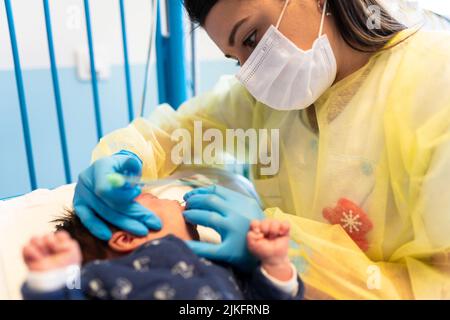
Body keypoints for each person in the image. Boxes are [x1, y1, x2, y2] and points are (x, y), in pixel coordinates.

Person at [73, 0, 450, 299]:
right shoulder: (263, 101)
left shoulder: (436, 86)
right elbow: (173, 134)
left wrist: (288, 251)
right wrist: (123, 157)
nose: (251, 72)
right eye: (236, 57)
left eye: (251, 38)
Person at [21, 193, 303, 300]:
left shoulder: (222, 266)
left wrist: (274, 263)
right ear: (127, 237)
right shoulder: (107, 273)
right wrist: (53, 277)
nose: (177, 201)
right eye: (155, 198)